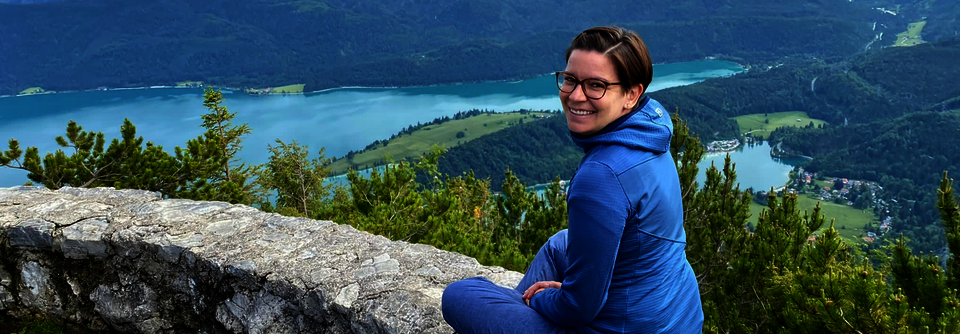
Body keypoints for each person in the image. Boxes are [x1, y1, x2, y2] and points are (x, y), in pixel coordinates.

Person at [441, 26, 704, 333]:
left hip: (624, 327)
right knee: (559, 244)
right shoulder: (651, 136)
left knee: (460, 294)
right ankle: (519, 310)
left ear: (632, 94)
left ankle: (521, 307)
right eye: (569, 80)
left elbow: (580, 308)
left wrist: (543, 298)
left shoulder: (602, 176)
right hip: (678, 319)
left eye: (596, 85)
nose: (575, 95)